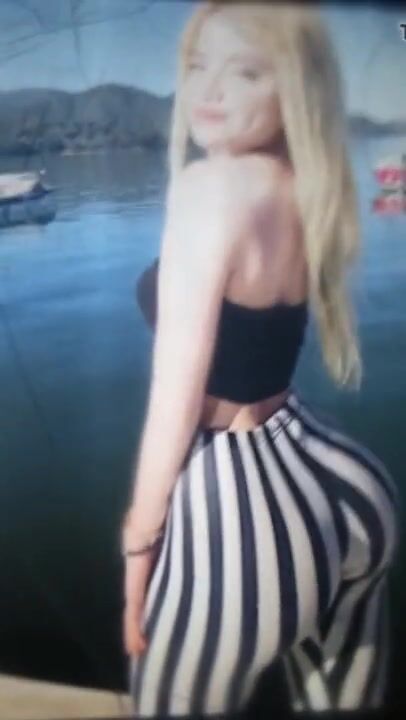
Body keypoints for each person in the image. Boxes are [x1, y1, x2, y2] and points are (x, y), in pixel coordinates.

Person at [121, 1, 400, 716]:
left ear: (295, 86)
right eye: (198, 65)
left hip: (238, 503)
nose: (210, 89)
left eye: (245, 72)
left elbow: (177, 393)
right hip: (343, 480)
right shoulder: (311, 186)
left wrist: (140, 542)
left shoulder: (209, 188)